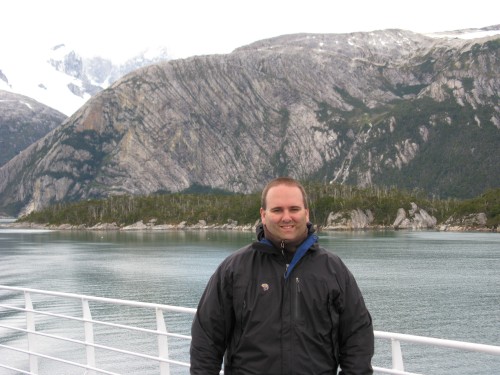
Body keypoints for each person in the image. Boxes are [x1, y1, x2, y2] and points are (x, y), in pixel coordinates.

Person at [190, 177, 374, 374]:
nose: (286, 217)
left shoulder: (334, 270)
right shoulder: (234, 270)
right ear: (263, 214)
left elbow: (358, 339)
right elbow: (206, 341)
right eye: (277, 210)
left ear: (306, 213)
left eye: (294, 209)